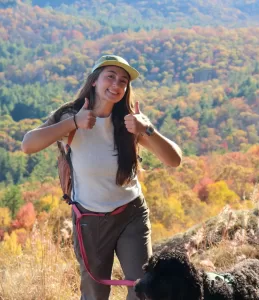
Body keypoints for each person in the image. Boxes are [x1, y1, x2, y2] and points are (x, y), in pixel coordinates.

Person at [21, 54, 182, 300]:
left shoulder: (129, 121)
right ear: (94, 80)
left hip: (131, 213)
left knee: (144, 291)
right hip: (90, 219)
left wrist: (148, 129)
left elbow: (174, 160)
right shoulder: (70, 115)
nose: (116, 85)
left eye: (123, 81)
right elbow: (28, 144)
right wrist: (74, 122)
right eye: (110, 76)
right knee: (95, 294)